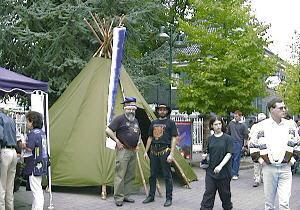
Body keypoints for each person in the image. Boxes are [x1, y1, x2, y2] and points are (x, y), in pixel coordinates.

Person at [251, 98, 299, 209]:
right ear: (272, 109)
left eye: (284, 107)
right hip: (269, 169)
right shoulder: (261, 126)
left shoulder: (290, 125)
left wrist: (292, 161)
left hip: (285, 169)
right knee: (269, 204)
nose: (284, 110)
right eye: (280, 108)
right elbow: (253, 146)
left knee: (284, 203)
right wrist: (261, 161)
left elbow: (297, 144)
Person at [106, 97, 141, 207]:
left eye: (133, 109)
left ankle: (126, 195)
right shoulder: (119, 119)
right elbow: (108, 130)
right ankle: (118, 198)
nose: (131, 111)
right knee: (120, 175)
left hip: (132, 151)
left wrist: (139, 142)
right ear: (124, 109)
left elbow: (138, 132)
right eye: (129, 109)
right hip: (123, 151)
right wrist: (117, 141)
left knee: (130, 175)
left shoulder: (135, 120)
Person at [142, 104, 178, 207]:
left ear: (167, 111)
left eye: (164, 110)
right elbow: (150, 137)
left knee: (167, 176)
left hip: (165, 151)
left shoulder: (171, 123)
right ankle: (151, 196)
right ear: (157, 111)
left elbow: (174, 138)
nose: (162, 111)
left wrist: (171, 153)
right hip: (153, 151)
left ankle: (168, 198)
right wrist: (145, 151)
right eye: (160, 110)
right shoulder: (153, 122)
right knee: (152, 175)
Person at [200, 116, 233, 210]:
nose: (218, 126)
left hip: (224, 172)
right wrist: (205, 156)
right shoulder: (209, 139)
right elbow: (207, 152)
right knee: (208, 194)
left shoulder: (228, 138)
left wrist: (220, 166)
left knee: (225, 196)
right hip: (211, 172)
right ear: (211, 126)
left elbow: (229, 154)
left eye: (219, 124)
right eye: (215, 124)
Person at [21, 111, 49, 210]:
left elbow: (29, 148)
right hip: (41, 163)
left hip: (34, 165)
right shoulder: (42, 133)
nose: (27, 124)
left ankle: (38, 208)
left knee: (36, 191)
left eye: (27, 121)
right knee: (38, 189)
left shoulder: (32, 134)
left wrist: (22, 144)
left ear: (32, 121)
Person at [0, 104, 18, 210]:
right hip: (13, 152)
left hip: (4, 151)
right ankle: (10, 208)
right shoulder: (10, 119)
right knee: (9, 186)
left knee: (1, 185)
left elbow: (0, 136)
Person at [227, 110, 249, 180]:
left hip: (239, 143)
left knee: (236, 159)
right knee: (231, 158)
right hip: (231, 142)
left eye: (236, 116)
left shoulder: (243, 125)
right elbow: (228, 133)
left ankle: (234, 174)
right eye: (234, 116)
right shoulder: (231, 123)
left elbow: (246, 136)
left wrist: (244, 145)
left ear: (240, 116)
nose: (235, 117)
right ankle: (232, 173)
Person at [248, 113, 266, 187]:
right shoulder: (267, 126)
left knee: (257, 163)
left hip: (255, 148)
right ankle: (260, 178)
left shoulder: (254, 126)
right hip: (261, 148)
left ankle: (258, 178)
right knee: (262, 163)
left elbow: (250, 136)